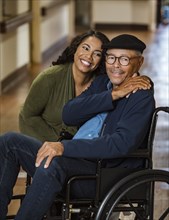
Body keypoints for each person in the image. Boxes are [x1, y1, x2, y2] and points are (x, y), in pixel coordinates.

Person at [0, 34, 155, 220]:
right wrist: (112, 95)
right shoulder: (101, 83)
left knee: (52, 163)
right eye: (111, 58)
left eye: (124, 59)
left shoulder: (141, 96)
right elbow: (69, 114)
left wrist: (64, 147)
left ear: (139, 63)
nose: (116, 65)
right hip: (80, 160)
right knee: (9, 142)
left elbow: (120, 144)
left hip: (105, 173)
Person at [19, 30, 110, 142]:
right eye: (85, 48)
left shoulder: (102, 85)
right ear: (75, 49)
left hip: (82, 150)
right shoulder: (49, 78)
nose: (89, 56)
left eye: (97, 54)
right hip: (44, 144)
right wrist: (56, 143)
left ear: (102, 60)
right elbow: (27, 117)